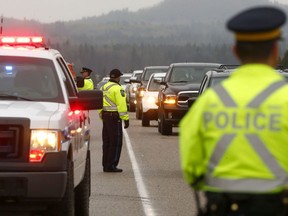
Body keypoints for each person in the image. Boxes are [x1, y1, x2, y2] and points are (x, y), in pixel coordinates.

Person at [179, 6, 288, 216]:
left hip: (223, 206)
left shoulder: (208, 102)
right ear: (275, 51)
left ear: (235, 51)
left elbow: (192, 167)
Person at [98, 69, 129, 173]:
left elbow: (99, 103)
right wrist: (125, 118)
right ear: (117, 77)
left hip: (105, 116)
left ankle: (105, 164)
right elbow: (121, 105)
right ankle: (112, 165)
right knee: (116, 142)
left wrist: (101, 115)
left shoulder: (103, 87)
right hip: (114, 117)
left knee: (106, 142)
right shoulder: (118, 89)